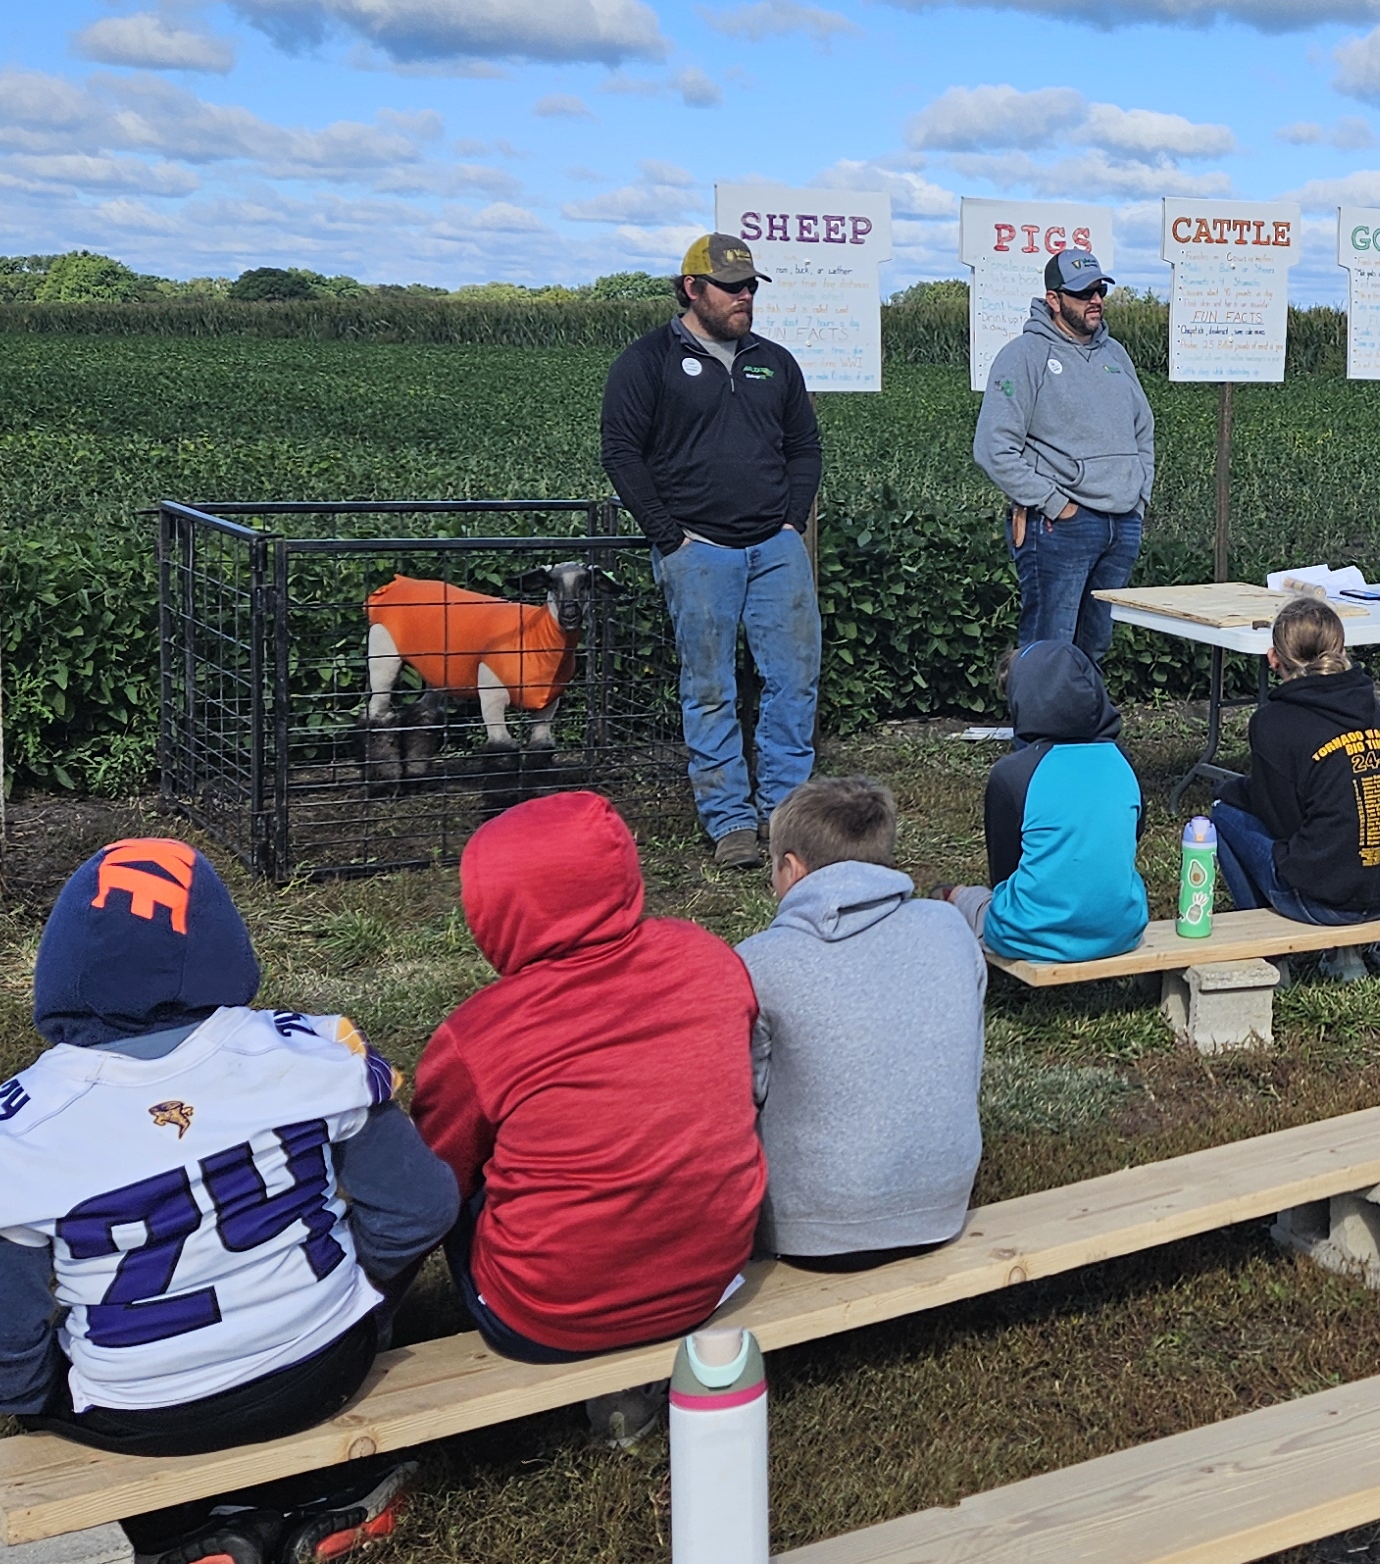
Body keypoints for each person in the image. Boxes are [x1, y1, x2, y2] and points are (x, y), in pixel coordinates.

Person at [0, 837, 456, 1564]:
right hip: (327, 1363)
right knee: (309, 1343)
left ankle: (189, 1528)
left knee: (106, 1409)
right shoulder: (313, 1053)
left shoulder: (5, 1136)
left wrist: (42, 1400)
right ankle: (332, 1498)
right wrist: (361, 1292)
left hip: (138, 1412)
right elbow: (421, 1208)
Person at [412, 790, 765, 1362]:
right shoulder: (709, 957)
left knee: (446, 1191)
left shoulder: (477, 1036)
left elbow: (435, 1177)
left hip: (545, 1318)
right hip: (707, 1281)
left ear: (494, 908)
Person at [602, 231, 823, 870]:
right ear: (692, 288)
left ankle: (784, 812)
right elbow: (622, 453)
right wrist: (669, 537)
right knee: (710, 687)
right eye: (732, 287)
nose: (745, 296)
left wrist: (790, 522)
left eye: (751, 286)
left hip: (774, 548)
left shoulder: (774, 362)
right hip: (699, 551)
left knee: (793, 680)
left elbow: (804, 447)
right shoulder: (647, 362)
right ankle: (729, 820)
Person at [741, 780, 987, 1269]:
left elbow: (743, 1092)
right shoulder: (949, 928)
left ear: (790, 869)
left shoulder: (758, 963)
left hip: (809, 1231)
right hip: (941, 1207)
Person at [975, 246, 1157, 663]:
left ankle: (1082, 728)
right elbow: (992, 447)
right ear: (1053, 300)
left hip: (1121, 523)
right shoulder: (1024, 355)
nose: (1095, 300)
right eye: (1082, 293)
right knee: (1049, 645)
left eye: (1099, 290)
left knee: (1094, 644)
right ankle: (1040, 729)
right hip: (1061, 527)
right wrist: (1057, 505)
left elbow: (1143, 430)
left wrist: (1138, 499)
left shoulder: (1115, 355)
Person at [1201, 596, 1380, 933]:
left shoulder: (1271, 722)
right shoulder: (1368, 706)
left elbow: (1281, 821)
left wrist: (1233, 792)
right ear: (1341, 650)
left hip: (1323, 901)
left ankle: (1267, 941)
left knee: (1221, 814)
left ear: (1273, 658)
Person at [955, 639, 1148, 963]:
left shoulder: (1013, 774)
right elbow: (1131, 838)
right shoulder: (1122, 762)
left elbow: (1003, 871)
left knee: (960, 897)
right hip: (1122, 930)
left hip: (1029, 934)